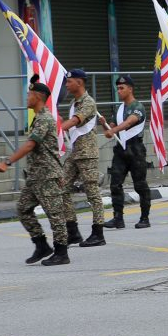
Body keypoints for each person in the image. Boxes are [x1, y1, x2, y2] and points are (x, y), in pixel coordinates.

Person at [0, 82, 71, 266]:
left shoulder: (45, 119)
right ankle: (41, 245)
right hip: (36, 176)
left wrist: (7, 162)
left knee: (55, 214)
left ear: (37, 96)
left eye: (29, 94)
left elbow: (30, 145)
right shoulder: (37, 118)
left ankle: (62, 253)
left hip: (48, 175)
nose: (26, 97)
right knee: (23, 208)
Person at [58, 69, 104, 247]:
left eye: (69, 82)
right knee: (62, 188)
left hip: (87, 154)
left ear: (79, 82)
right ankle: (73, 231)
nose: (67, 85)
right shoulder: (74, 102)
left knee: (92, 192)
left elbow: (76, 120)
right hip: (75, 153)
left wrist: (58, 128)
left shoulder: (88, 102)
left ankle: (98, 232)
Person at [102, 75, 152, 230]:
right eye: (117, 88)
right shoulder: (119, 109)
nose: (119, 91)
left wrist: (114, 129)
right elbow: (111, 128)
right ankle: (118, 218)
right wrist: (105, 125)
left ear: (130, 88)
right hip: (121, 150)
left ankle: (144, 218)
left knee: (140, 185)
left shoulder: (138, 106)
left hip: (135, 149)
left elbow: (131, 121)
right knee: (115, 184)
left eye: (122, 88)